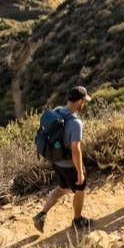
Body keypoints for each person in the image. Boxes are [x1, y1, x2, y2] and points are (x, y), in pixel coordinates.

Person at [33, 86, 93, 231]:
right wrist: (80, 171)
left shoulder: (57, 111)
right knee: (80, 189)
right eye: (83, 101)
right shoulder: (76, 123)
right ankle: (78, 220)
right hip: (69, 164)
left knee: (62, 188)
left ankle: (41, 214)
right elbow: (75, 150)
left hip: (56, 161)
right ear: (79, 101)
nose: (83, 104)